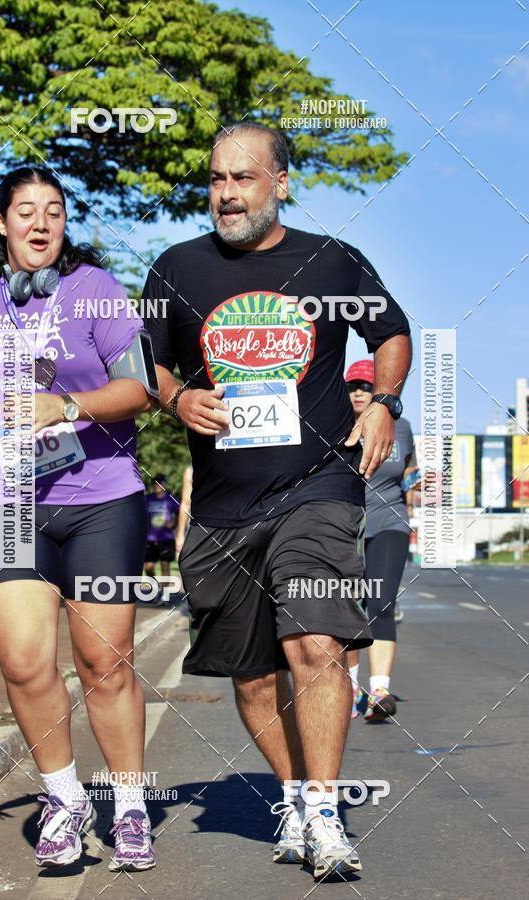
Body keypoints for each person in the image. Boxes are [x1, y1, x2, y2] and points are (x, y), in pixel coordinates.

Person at [143, 122, 412, 881]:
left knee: (315, 640)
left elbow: (391, 331)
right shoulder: (175, 268)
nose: (227, 193)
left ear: (281, 182)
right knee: (253, 673)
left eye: (244, 178)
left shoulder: (330, 260)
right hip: (225, 506)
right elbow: (147, 363)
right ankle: (293, 794)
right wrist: (178, 397)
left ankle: (325, 814)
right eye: (217, 179)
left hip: (318, 486)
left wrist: (383, 400)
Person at [0, 167, 156, 872]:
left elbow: (142, 385)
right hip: (15, 501)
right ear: (1, 224)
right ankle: (64, 798)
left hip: (101, 500)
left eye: (53, 212)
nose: (40, 223)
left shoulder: (98, 291)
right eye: (26, 211)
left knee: (103, 663)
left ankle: (130, 803)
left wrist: (70, 406)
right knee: (26, 663)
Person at [345, 359, 419, 722]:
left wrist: (418, 482)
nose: (358, 392)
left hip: (391, 523)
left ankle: (380, 690)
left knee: (380, 604)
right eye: (351, 386)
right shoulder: (334, 425)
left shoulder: (401, 427)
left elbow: (407, 472)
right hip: (346, 526)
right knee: (349, 608)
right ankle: (349, 688)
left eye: (365, 385)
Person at [144, 473, 178, 579]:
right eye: (154, 483)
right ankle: (156, 587)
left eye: (159, 483)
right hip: (150, 538)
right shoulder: (147, 499)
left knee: (165, 566)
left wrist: (173, 522)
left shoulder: (171, 499)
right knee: (148, 567)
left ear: (164, 484)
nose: (156, 485)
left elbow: (180, 512)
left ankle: (164, 593)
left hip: (166, 538)